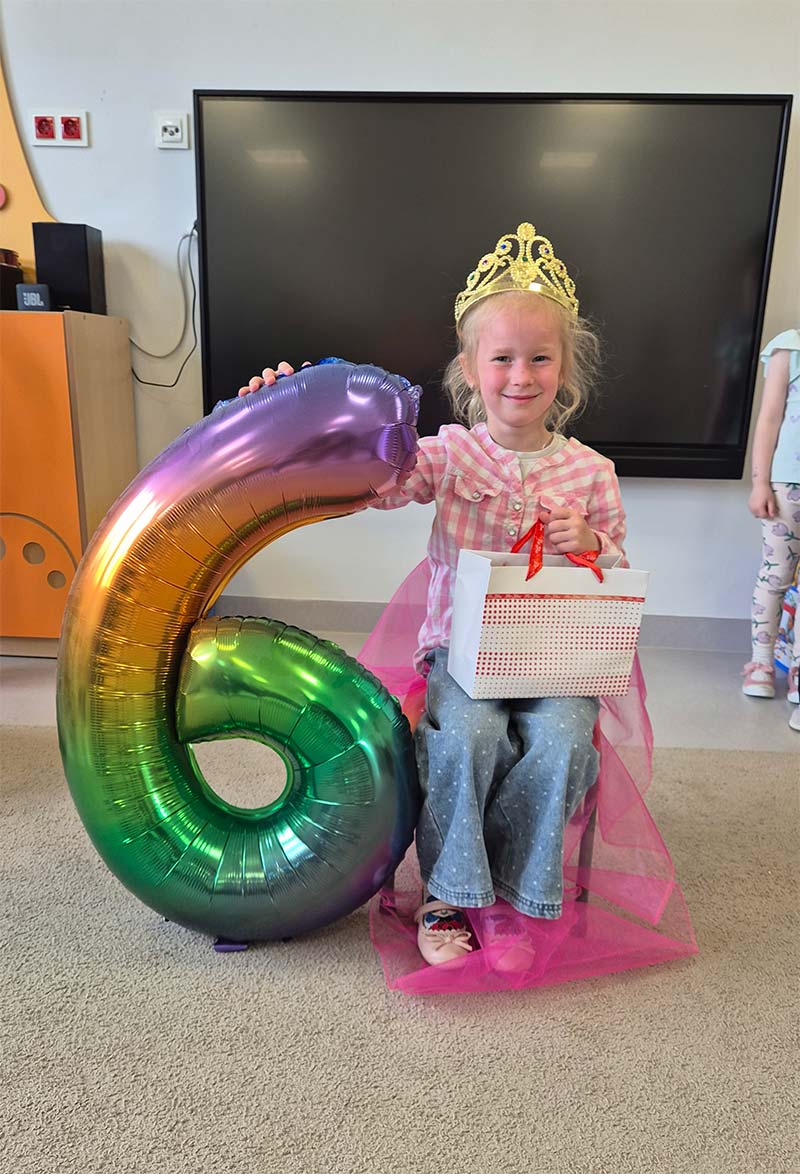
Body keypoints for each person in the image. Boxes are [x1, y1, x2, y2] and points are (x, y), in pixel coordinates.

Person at [239, 222, 626, 966]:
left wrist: (589, 542)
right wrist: (293, 412)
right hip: (463, 651)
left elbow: (616, 564)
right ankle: (449, 891)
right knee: (470, 734)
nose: (521, 376)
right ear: (470, 368)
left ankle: (513, 891)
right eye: (502, 358)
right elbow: (380, 484)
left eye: (540, 358)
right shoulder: (451, 453)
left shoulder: (591, 472)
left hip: (556, 657)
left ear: (566, 367)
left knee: (562, 739)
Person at [742, 329, 800, 733]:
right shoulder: (789, 348)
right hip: (787, 486)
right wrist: (760, 482)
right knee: (775, 575)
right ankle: (761, 663)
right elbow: (769, 419)